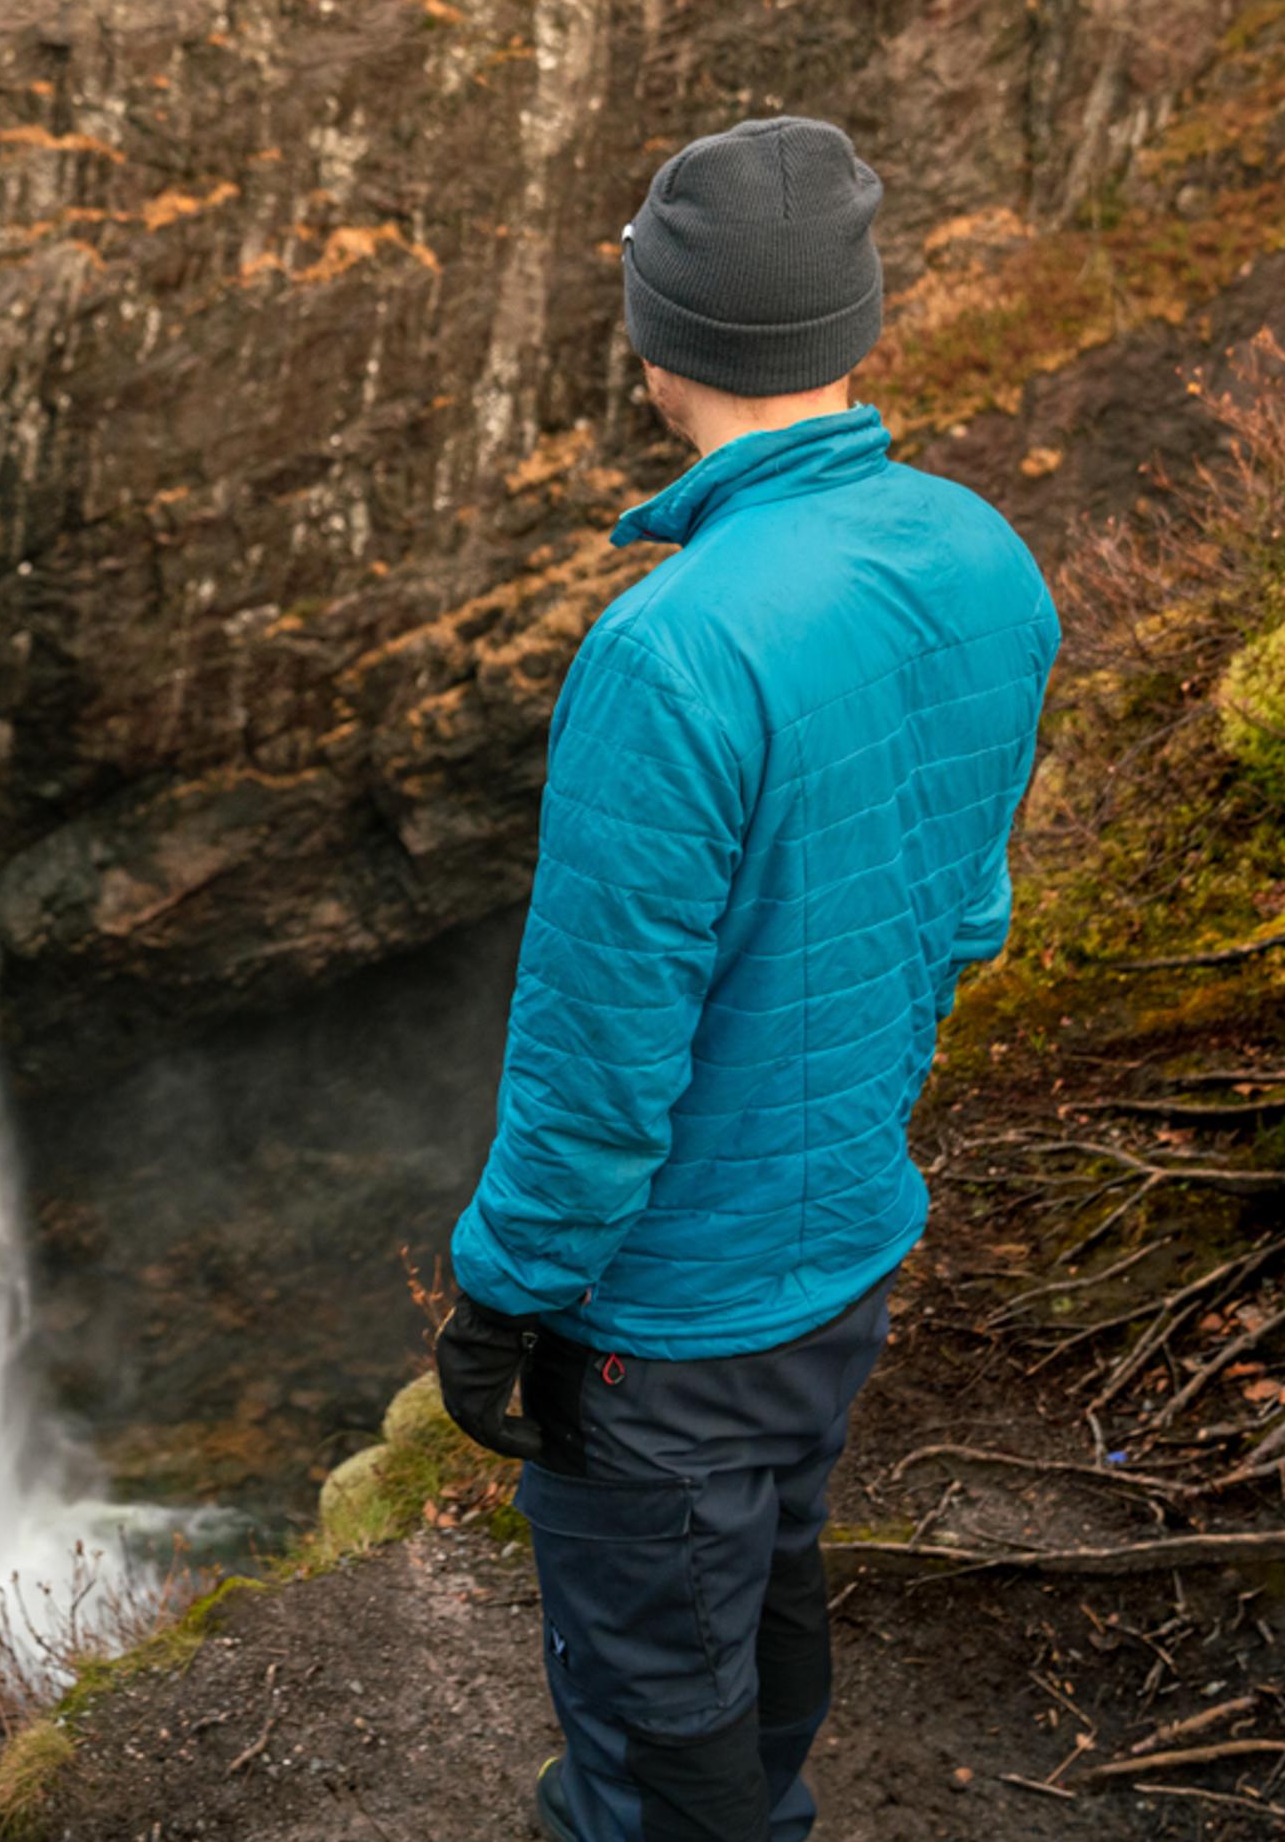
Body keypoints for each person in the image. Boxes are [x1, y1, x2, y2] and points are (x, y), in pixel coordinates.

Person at [435, 116, 1058, 1842]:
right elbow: (966, 918)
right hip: (845, 1252)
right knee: (767, 1577)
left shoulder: (670, 651)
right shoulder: (984, 557)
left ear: (661, 345)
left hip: (667, 1328)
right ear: (853, 322)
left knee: (657, 1723)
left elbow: (600, 1066)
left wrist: (503, 1299)